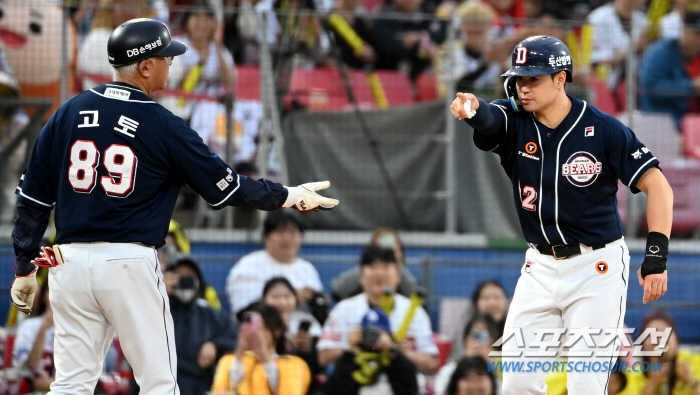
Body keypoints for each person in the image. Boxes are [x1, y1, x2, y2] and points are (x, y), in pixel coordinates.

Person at [9, 18, 338, 395]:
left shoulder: (68, 112)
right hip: (126, 263)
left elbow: (32, 199)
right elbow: (227, 189)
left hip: (66, 262)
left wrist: (23, 267)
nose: (171, 63)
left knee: (70, 386)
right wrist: (291, 195)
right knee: (159, 385)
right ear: (145, 66)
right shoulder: (162, 123)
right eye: (165, 56)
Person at [450, 35, 673, 394]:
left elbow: (658, 186)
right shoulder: (515, 120)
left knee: (586, 383)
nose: (523, 87)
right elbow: (491, 120)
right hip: (539, 267)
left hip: (596, 267)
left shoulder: (603, 128)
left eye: (533, 79)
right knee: (517, 383)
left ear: (560, 79)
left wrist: (656, 257)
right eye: (519, 79)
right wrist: (474, 110)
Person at [318, 246, 439, 388]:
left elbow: (432, 363)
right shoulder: (344, 309)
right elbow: (323, 358)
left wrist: (397, 351)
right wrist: (351, 348)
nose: (379, 273)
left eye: (386, 266)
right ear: (361, 276)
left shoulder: (414, 312)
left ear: (398, 276)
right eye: (372, 267)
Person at [226, 213, 325, 316]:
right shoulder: (248, 266)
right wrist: (291, 298)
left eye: (292, 232)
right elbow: (242, 311)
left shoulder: (307, 269)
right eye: (280, 232)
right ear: (266, 236)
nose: (286, 238)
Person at [165, 257, 237, 395]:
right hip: (162, 385)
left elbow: (235, 337)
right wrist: (158, 292)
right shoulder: (156, 312)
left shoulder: (210, 315)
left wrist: (215, 344)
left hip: (200, 385)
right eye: (178, 276)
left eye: (190, 276)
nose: (184, 280)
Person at [210, 303, 312, 395]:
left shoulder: (294, 364)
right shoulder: (229, 361)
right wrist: (239, 353)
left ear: (277, 330)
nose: (253, 333)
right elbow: (223, 388)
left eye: (260, 327)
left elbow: (289, 390)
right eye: (247, 327)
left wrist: (265, 357)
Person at [321, 307, 420, 395]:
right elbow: (334, 391)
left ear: (388, 335)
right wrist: (350, 352)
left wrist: (392, 352)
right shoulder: (353, 359)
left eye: (378, 333)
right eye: (368, 332)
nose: (372, 337)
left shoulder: (395, 360)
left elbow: (410, 390)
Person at [639, 11, 700, 128]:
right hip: (660, 119)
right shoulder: (660, 53)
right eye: (696, 34)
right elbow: (650, 88)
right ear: (684, 31)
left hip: (692, 121)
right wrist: (691, 86)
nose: (699, 40)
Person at [331, 228, 421, 302]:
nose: (380, 273)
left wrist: (397, 267)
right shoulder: (359, 276)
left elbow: (415, 295)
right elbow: (338, 290)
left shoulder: (406, 283)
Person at [261, 276, 323, 374]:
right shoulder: (258, 324)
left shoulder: (304, 319)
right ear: (264, 300)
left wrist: (305, 350)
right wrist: (288, 346)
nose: (282, 302)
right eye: (275, 297)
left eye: (287, 297)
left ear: (295, 299)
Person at [435, 313, 502, 395]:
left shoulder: (508, 366)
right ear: (465, 340)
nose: (479, 343)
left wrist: (492, 369)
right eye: (475, 335)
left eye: (485, 335)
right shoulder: (450, 370)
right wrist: (467, 363)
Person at [449, 280, 509, 361]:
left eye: (497, 297)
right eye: (486, 298)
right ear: (476, 303)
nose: (492, 303)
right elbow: (456, 359)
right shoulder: (468, 325)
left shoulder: (515, 327)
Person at [13, 280, 55, 394]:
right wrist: (43, 329)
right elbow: (30, 367)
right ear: (43, 297)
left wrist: (55, 383)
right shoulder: (28, 326)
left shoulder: (77, 330)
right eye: (52, 291)